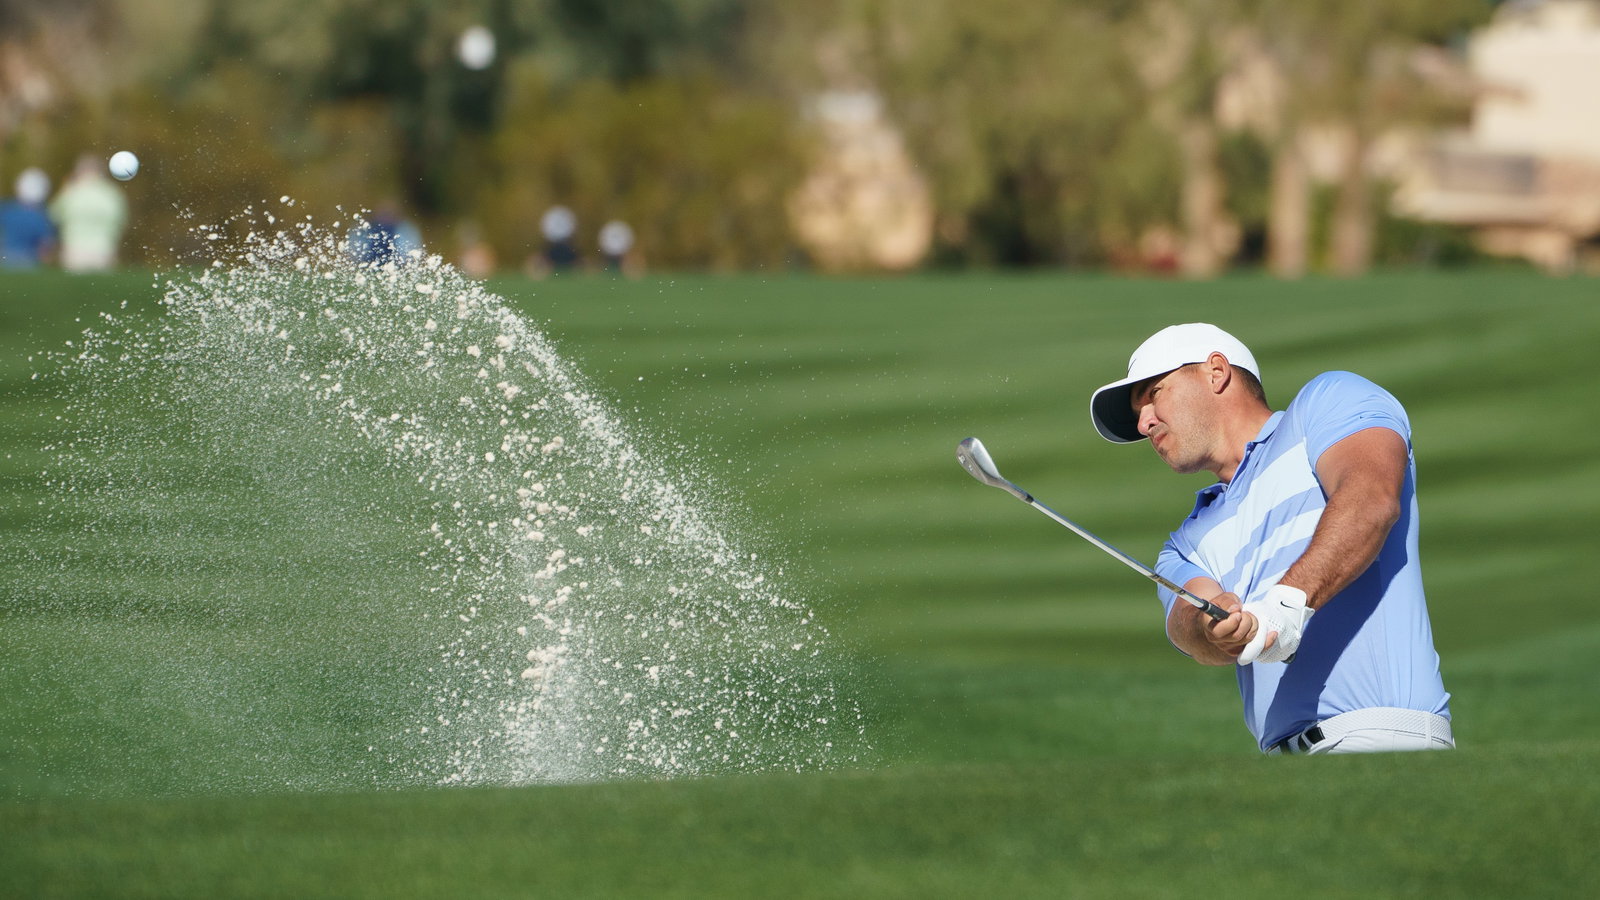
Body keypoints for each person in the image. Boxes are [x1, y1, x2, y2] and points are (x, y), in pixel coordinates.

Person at [1089, 323, 1452, 755]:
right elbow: (1188, 623)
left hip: (1380, 738)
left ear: (1216, 372)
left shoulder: (1328, 402)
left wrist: (1286, 605)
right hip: (1280, 771)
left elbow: (1371, 500)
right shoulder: (1185, 543)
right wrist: (1216, 626)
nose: (1144, 422)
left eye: (1153, 394)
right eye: (1137, 414)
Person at [48, 155, 127, 272]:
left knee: (74, 289)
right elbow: (121, 220)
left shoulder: (71, 191)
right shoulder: (112, 193)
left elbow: (53, 216)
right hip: (104, 249)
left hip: (74, 249)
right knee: (103, 289)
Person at [0, 168, 58, 268]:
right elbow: (45, 249)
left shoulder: (6, 209)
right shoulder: (42, 217)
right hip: (29, 264)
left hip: (5, 261)